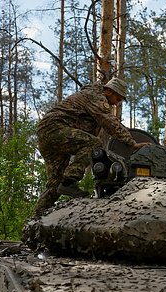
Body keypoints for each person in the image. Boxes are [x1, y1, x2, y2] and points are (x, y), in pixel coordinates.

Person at [33, 77, 149, 216]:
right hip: (55, 129)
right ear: (110, 92)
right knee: (94, 144)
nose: (116, 104)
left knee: (55, 185)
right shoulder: (96, 97)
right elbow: (109, 121)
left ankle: (35, 221)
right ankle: (69, 180)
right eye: (118, 99)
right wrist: (131, 142)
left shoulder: (92, 96)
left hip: (48, 134)